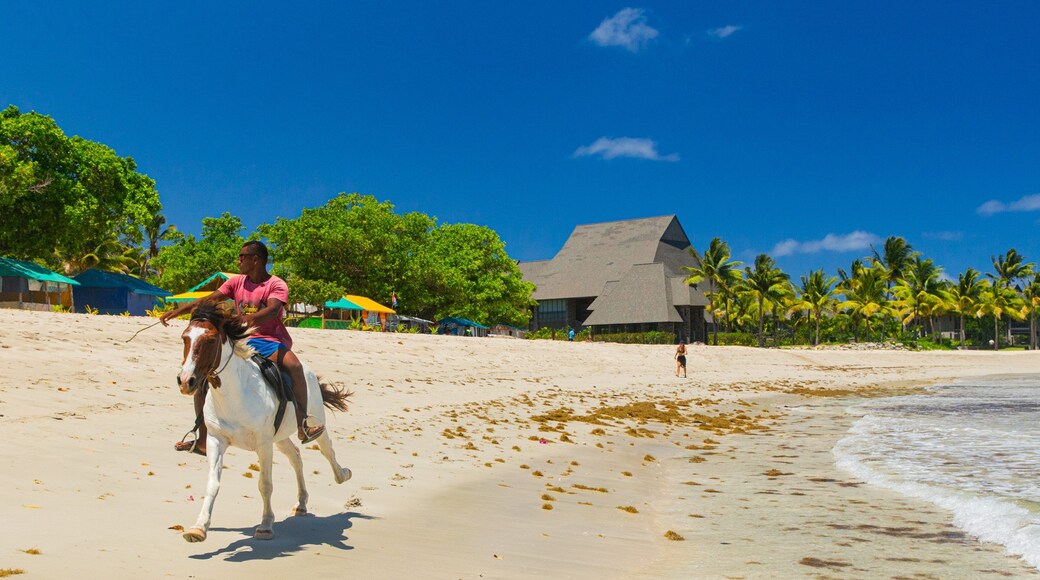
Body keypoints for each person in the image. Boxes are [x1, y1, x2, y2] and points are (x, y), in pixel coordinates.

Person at [160, 241, 324, 455]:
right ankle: (202, 440)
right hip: (240, 340)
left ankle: (303, 425)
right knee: (203, 374)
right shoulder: (236, 282)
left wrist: (245, 319)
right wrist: (179, 311)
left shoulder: (276, 284)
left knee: (294, 365)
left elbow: (274, 310)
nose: (238, 261)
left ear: (255, 260)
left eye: (242, 257)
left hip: (269, 340)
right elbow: (208, 300)